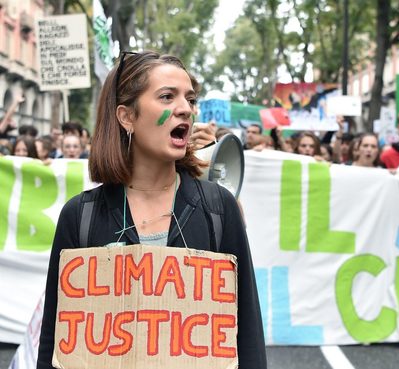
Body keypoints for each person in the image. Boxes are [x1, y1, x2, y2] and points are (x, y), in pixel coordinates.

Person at [37, 51, 266, 369]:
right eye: (167, 96)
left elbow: (248, 335)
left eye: (189, 98)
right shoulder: (79, 216)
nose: (185, 109)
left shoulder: (219, 209)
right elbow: (55, 338)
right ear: (126, 117)